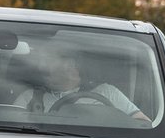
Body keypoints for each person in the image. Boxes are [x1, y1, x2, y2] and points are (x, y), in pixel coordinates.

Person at [14, 46, 150, 122]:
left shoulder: (106, 92)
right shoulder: (30, 97)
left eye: (52, 61)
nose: (44, 66)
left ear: (74, 66)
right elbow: (11, 126)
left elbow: (142, 123)